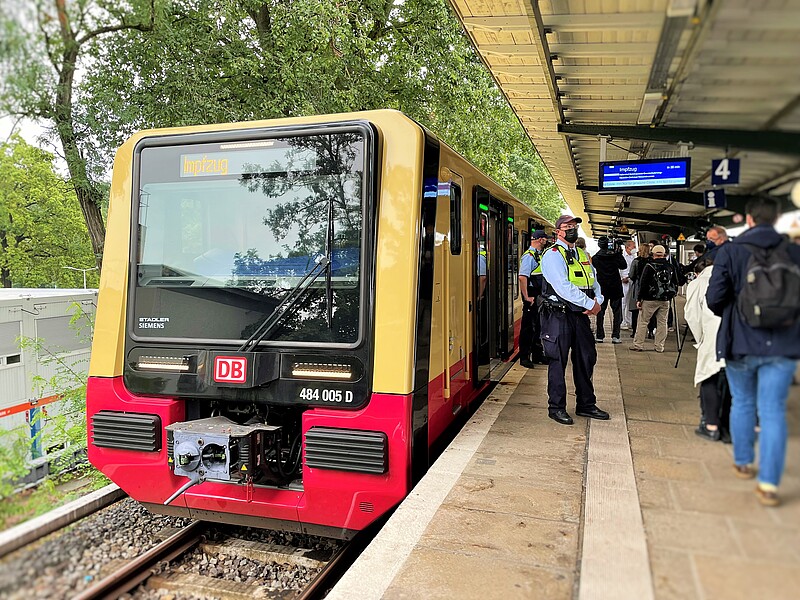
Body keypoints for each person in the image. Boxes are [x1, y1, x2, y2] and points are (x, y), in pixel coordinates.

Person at [706, 196, 800, 507]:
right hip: (783, 344)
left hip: (741, 341)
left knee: (743, 402)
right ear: (775, 220)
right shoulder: (794, 252)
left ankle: (744, 462)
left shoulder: (730, 251)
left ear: (748, 219)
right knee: (773, 411)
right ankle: (770, 484)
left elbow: (714, 299)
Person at [539, 215, 610, 425]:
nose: (572, 229)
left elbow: (593, 281)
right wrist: (591, 305)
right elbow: (562, 286)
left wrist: (598, 299)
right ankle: (556, 407)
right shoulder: (552, 255)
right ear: (558, 231)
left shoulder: (581, 253)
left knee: (586, 359)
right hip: (559, 316)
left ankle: (586, 404)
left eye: (575, 226)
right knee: (557, 362)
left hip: (580, 316)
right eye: (567, 226)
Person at [684, 258, 730, 442]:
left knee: (709, 378)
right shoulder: (733, 278)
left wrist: (700, 339)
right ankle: (728, 427)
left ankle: (711, 425)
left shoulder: (698, 282)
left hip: (712, 337)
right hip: (737, 337)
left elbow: (692, 315)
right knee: (730, 382)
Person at [630, 245, 679, 352]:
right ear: (664, 254)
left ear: (653, 254)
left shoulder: (649, 266)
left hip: (649, 299)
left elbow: (643, 284)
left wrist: (639, 299)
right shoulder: (670, 267)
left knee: (643, 322)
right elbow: (676, 282)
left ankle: (638, 345)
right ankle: (659, 346)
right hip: (665, 299)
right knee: (662, 323)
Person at [518, 230, 549, 368]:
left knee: (538, 326)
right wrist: (526, 297)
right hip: (531, 295)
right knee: (528, 327)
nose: (546, 241)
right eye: (544, 238)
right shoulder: (529, 256)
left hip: (538, 295)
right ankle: (524, 357)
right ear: (540, 239)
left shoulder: (538, 255)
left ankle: (537, 354)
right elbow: (522, 277)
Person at [591, 237, 627, 343]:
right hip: (615, 286)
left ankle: (599, 336)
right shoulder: (615, 256)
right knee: (617, 312)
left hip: (602, 286)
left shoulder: (596, 257)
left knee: (600, 312)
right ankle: (616, 336)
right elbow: (623, 266)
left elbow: (594, 267)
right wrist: (619, 252)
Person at [627, 244, 651, 338]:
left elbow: (632, 275)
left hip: (637, 286)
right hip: (650, 288)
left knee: (635, 311)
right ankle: (650, 332)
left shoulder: (636, 261)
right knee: (649, 312)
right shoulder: (651, 261)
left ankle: (634, 331)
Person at [620, 240, 636, 329]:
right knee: (623, 302)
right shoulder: (622, 256)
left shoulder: (633, 257)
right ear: (627, 247)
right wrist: (622, 278)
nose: (634, 248)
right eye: (633, 247)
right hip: (623, 282)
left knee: (630, 302)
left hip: (631, 281)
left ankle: (629, 320)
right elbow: (619, 269)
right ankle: (622, 321)